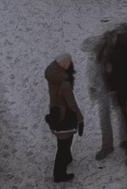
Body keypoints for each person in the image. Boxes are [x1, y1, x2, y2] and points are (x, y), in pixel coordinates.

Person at [91, 23, 127, 164]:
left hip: (118, 86)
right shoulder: (106, 45)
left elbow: (123, 72)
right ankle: (108, 145)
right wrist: (94, 84)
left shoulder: (123, 52)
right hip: (104, 85)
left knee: (123, 117)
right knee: (107, 115)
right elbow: (95, 63)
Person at [45, 53, 84, 183]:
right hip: (65, 117)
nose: (69, 64)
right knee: (64, 146)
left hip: (55, 113)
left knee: (62, 143)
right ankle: (59, 174)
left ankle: (67, 158)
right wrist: (80, 118)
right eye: (66, 61)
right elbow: (71, 104)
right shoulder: (64, 83)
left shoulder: (53, 75)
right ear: (60, 62)